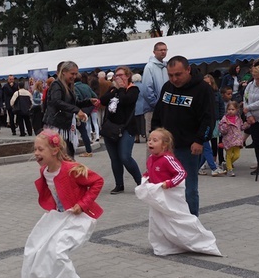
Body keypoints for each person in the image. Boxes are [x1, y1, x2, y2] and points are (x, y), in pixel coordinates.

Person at [20, 130, 104, 278]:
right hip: (59, 216)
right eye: (35, 149)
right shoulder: (44, 171)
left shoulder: (70, 169)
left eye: (40, 149)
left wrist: (82, 204)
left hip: (79, 217)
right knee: (36, 246)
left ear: (54, 151)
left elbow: (97, 182)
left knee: (57, 251)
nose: (36, 153)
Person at [135, 128, 221, 257]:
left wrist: (169, 183)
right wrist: (146, 177)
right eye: (149, 140)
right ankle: (165, 244)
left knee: (178, 219)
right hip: (158, 198)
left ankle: (200, 241)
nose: (150, 143)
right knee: (157, 221)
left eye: (154, 140)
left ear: (164, 145)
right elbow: (150, 171)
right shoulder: (151, 159)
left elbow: (181, 173)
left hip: (169, 196)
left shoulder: (168, 159)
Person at [151, 56, 215, 216]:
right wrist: (154, 134)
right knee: (164, 184)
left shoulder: (203, 89)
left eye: (178, 74)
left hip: (188, 147)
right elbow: (158, 112)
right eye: (170, 75)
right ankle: (170, 217)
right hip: (166, 147)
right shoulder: (167, 87)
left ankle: (191, 220)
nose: (174, 79)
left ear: (188, 70)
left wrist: (200, 140)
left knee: (188, 187)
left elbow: (208, 118)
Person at [99, 66, 142, 194]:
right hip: (110, 129)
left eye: (121, 75)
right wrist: (115, 90)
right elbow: (103, 100)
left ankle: (140, 182)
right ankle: (119, 184)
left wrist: (122, 88)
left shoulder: (133, 89)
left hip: (126, 129)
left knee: (125, 157)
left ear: (128, 76)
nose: (118, 78)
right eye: (116, 76)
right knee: (114, 158)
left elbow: (126, 100)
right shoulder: (113, 89)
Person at [43, 61, 93, 160]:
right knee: (60, 155)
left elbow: (72, 103)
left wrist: (89, 102)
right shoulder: (56, 84)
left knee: (68, 155)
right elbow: (56, 101)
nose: (74, 76)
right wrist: (76, 110)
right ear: (64, 72)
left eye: (76, 74)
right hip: (57, 125)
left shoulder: (68, 85)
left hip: (66, 125)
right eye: (72, 74)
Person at [137, 42, 169, 138]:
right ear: (154, 52)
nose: (163, 52)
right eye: (161, 50)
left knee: (165, 137)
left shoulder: (166, 66)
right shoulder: (149, 67)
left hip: (166, 107)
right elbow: (147, 88)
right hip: (152, 108)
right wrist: (155, 103)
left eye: (165, 50)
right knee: (153, 137)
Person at [197, 74, 227, 176]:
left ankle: (198, 167)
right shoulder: (199, 95)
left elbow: (221, 107)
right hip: (202, 124)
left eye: (209, 83)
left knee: (206, 147)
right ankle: (213, 168)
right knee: (207, 147)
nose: (207, 85)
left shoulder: (216, 94)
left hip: (213, 121)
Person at [218, 101, 249, 176]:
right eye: (229, 109)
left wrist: (246, 125)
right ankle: (229, 169)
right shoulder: (225, 119)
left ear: (237, 110)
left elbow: (241, 127)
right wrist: (226, 126)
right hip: (228, 140)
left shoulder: (238, 118)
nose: (230, 111)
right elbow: (221, 129)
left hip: (237, 140)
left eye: (232, 109)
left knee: (236, 155)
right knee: (229, 155)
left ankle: (227, 164)